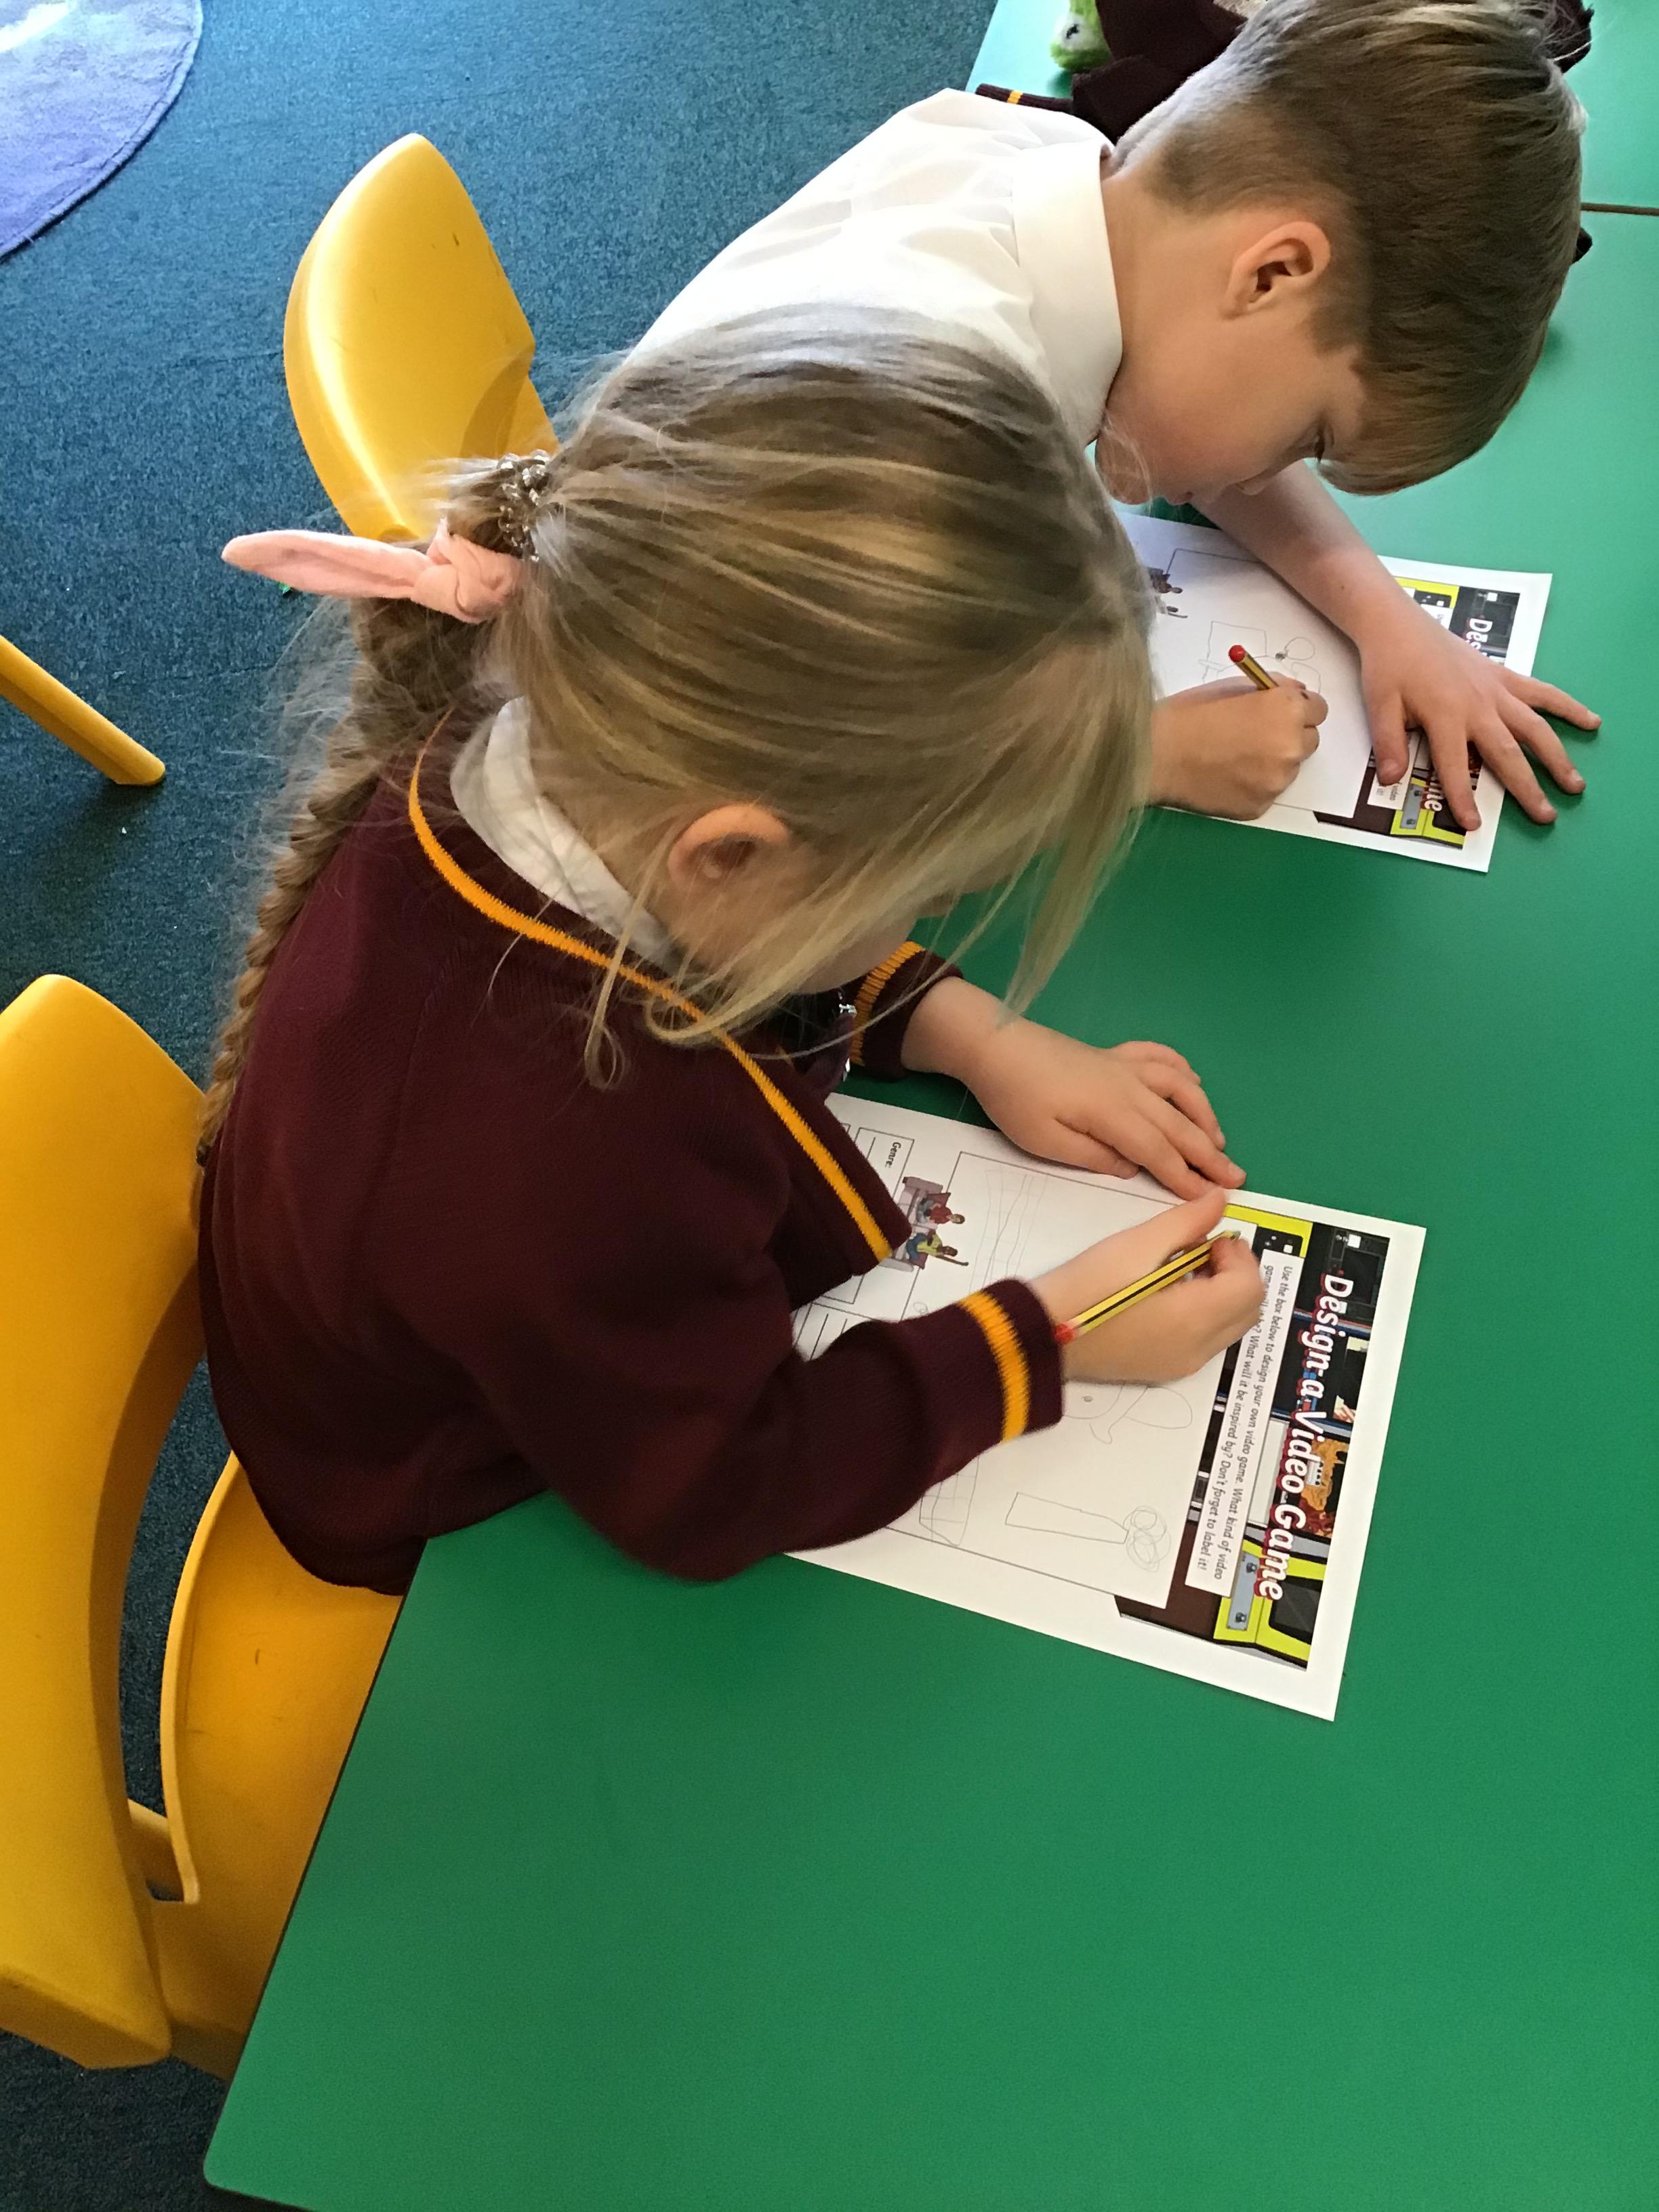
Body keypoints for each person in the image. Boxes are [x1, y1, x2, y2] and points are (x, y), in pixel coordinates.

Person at [201, 311, 1263, 1595]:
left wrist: (966, 1031)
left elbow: (749, 955)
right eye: (927, 892)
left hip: (477, 1343)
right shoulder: (565, 1162)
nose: (924, 918)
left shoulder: (545, 743)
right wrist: (1048, 1337)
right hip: (438, 1521)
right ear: (734, 852)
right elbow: (723, 1485)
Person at [638, 0, 1599, 832]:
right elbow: (783, 762)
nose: (1261, 475)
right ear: (1272, 274)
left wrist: (1391, 622)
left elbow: (1197, 415)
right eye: (1309, 435)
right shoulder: (939, 420)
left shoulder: (1036, 157)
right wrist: (1142, 758)